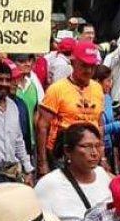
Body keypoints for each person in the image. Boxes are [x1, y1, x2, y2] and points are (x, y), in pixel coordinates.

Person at [36, 41, 105, 176]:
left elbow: (100, 124)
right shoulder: (57, 89)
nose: (89, 71)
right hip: (63, 156)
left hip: (91, 154)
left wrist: (102, 156)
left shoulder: (97, 88)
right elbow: (42, 126)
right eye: (84, 65)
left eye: (92, 66)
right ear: (73, 63)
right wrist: (42, 163)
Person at [35, 123, 111, 221]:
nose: (94, 153)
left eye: (98, 146)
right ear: (67, 151)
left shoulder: (103, 175)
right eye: (86, 146)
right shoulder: (48, 185)